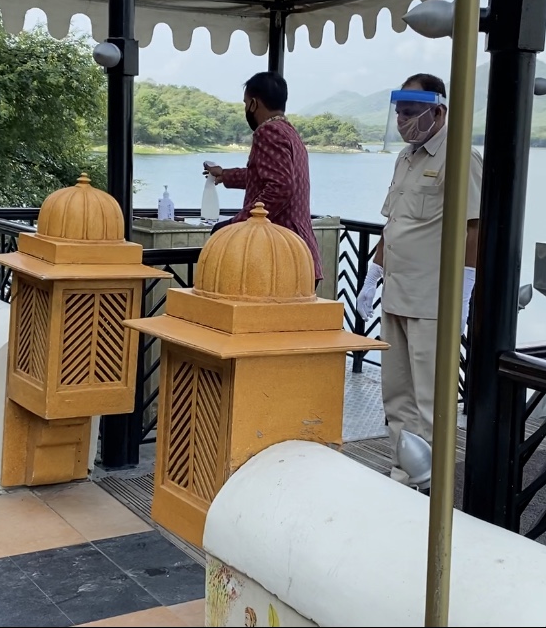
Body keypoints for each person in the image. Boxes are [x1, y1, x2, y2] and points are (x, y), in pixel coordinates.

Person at [354, 73, 481, 488]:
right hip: (396, 293)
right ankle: (404, 471)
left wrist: (464, 289)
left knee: (431, 399)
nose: (403, 121)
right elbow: (393, 224)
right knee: (397, 394)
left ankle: (435, 481)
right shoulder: (404, 158)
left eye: (410, 113)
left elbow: (475, 228)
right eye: (399, 113)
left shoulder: (460, 157)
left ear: (437, 111)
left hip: (433, 299)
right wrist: (373, 275)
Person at [202, 72, 323, 288]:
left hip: (281, 254)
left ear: (254, 104)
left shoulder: (268, 132)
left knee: (220, 236)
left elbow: (280, 186)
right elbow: (266, 175)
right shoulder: (290, 133)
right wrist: (225, 175)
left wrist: (243, 223)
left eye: (246, 103)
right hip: (301, 252)